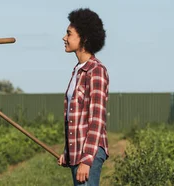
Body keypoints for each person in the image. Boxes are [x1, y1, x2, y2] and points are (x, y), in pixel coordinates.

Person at [57, 8, 109, 186]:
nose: (64, 38)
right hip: (77, 152)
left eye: (69, 34)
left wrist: (87, 160)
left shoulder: (96, 71)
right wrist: (68, 152)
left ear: (84, 38)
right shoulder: (78, 71)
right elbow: (73, 119)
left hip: (89, 153)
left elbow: (97, 119)